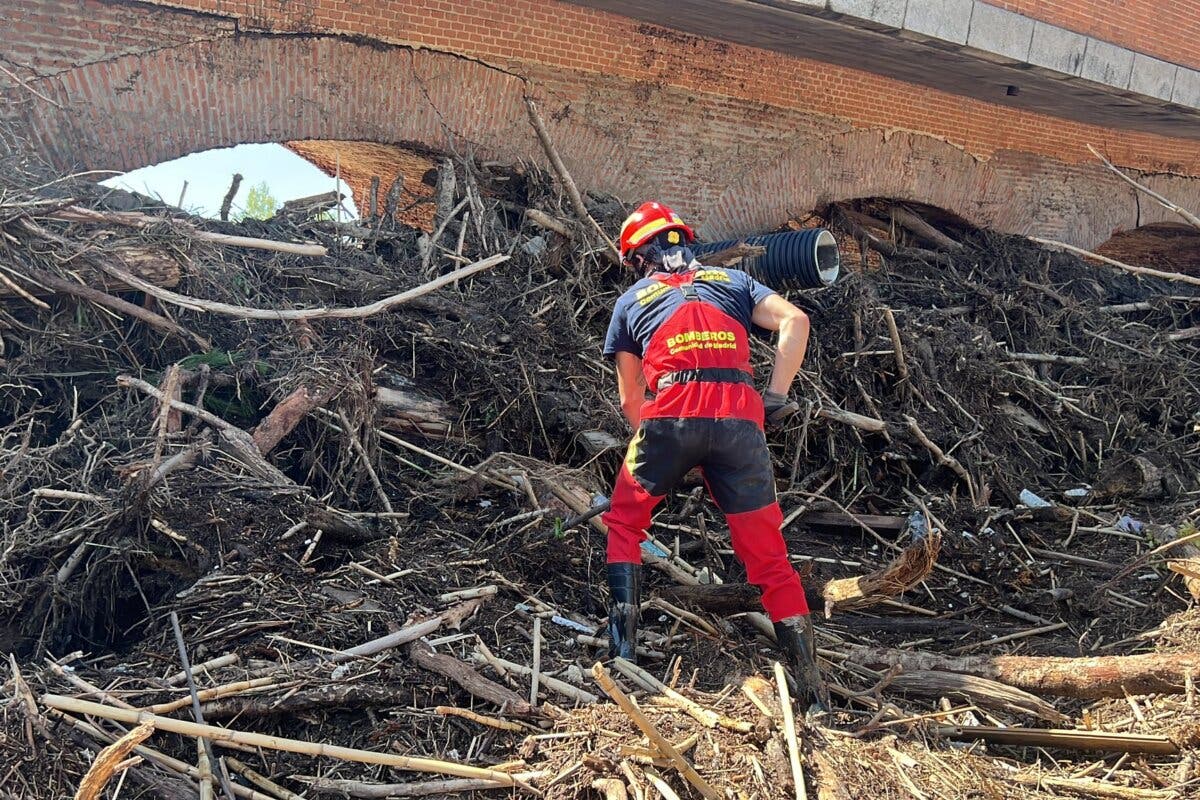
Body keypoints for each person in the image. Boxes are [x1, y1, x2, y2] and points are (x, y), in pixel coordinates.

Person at [601, 200, 829, 710]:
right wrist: (773, 396)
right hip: (740, 424)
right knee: (769, 557)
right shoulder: (734, 283)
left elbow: (629, 399)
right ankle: (813, 689)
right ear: (684, 241)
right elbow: (796, 321)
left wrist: (661, 449)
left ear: (638, 257)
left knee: (624, 523)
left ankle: (624, 655)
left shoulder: (632, 301)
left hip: (669, 418)